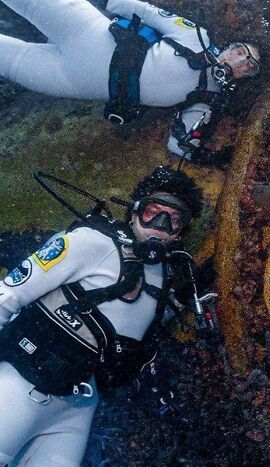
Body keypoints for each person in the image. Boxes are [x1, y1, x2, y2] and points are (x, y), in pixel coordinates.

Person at [0, 166, 203, 465]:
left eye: (173, 220)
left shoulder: (166, 276)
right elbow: (9, 294)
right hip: (20, 387)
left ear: (180, 232)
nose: (161, 225)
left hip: (78, 411)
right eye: (153, 212)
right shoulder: (92, 242)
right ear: (134, 213)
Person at [0, 0, 260, 165]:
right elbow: (148, 12)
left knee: (8, 59)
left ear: (246, 77)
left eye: (249, 66)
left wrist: (213, 157)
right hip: (90, 32)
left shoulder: (207, 101)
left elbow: (178, 146)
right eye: (240, 52)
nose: (239, 62)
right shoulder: (197, 37)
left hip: (74, 81)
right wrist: (112, 3)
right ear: (230, 46)